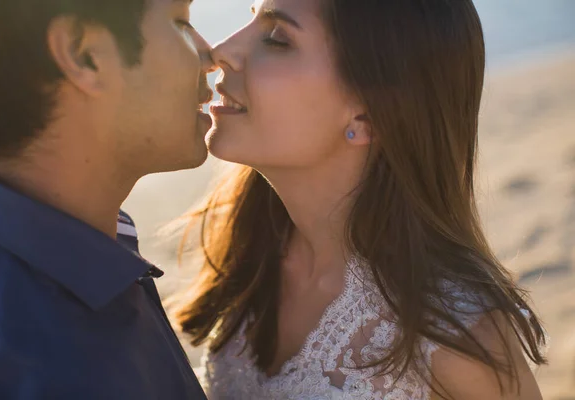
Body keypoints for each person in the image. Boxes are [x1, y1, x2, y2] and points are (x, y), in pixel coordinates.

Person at [176, 0, 548, 398]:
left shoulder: (457, 337)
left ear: (366, 117)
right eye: (248, 20)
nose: (221, 51)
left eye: (277, 38)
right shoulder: (247, 255)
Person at [0, 0, 214, 398]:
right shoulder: (48, 371)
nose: (211, 54)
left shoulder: (89, 253)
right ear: (84, 55)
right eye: (180, 23)